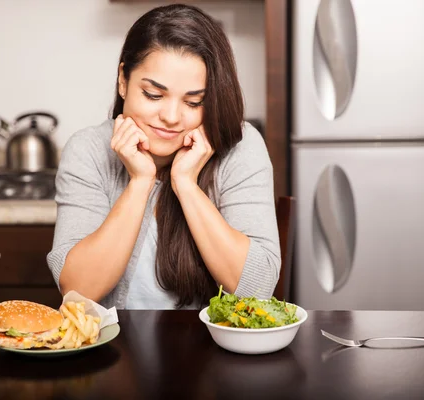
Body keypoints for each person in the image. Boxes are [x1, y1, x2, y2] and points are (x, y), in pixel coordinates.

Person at [47, 4, 280, 310]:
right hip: (113, 354)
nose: (171, 117)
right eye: (153, 95)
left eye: (194, 101)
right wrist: (140, 182)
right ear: (123, 80)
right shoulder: (88, 150)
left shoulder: (240, 145)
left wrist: (186, 185)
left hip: (211, 354)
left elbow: (258, 288)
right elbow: (78, 290)